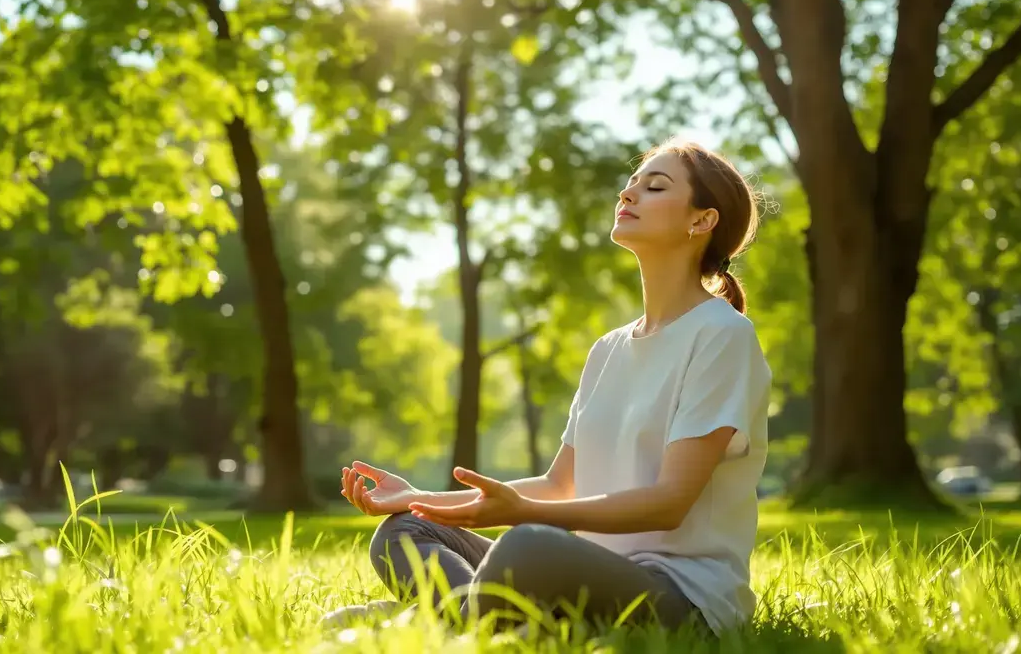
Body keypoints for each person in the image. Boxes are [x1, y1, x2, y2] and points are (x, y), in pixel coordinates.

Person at [325, 139, 771, 637]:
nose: (628, 194)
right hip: (580, 572)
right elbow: (560, 485)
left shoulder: (723, 335)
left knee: (528, 546)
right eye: (631, 184)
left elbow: (671, 502)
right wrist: (419, 497)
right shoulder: (609, 349)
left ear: (702, 220)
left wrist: (527, 514)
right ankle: (480, 619)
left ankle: (423, 622)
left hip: (681, 597)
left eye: (655, 186)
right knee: (407, 529)